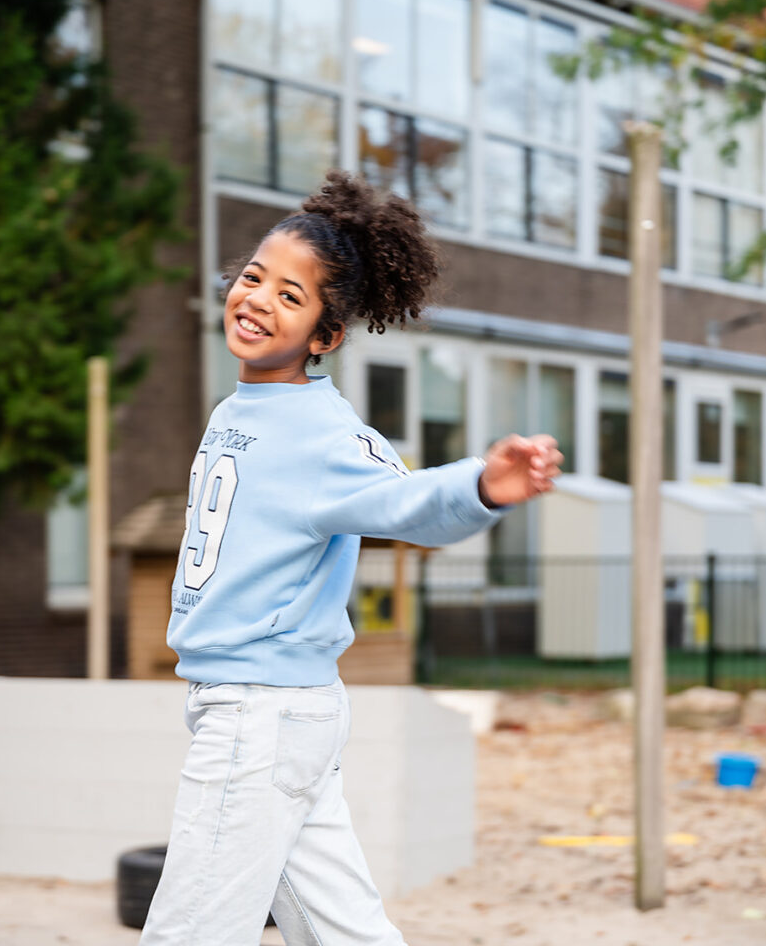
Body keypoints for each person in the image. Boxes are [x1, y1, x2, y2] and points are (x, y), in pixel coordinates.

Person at [139, 170, 563, 946]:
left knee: (187, 932)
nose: (259, 298)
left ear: (326, 336)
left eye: (291, 297)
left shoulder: (324, 434)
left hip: (260, 711)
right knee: (342, 931)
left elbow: (403, 503)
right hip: (259, 706)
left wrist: (481, 485)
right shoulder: (239, 408)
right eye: (254, 277)